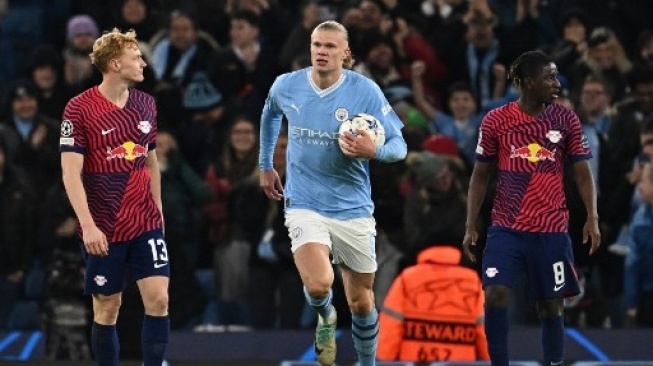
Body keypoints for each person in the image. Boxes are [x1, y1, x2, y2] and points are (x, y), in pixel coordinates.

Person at [258, 20, 407, 366]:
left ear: (346, 53)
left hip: (353, 208)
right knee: (320, 284)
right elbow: (269, 114)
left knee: (361, 302)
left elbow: (399, 146)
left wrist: (375, 152)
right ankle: (325, 316)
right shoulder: (287, 86)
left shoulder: (365, 92)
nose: (321, 52)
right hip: (304, 203)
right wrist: (266, 165)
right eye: (316, 45)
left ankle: (367, 363)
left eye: (329, 46)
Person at [462, 50, 601, 366]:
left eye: (556, 76)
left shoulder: (566, 119)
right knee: (495, 293)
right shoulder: (496, 120)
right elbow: (480, 174)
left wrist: (592, 216)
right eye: (549, 77)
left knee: (550, 306)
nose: (556, 84)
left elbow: (582, 172)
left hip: (551, 230)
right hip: (506, 228)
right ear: (526, 83)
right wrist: (471, 223)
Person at [59, 28, 169, 366]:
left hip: (144, 220)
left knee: (159, 299)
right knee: (108, 306)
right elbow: (70, 173)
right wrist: (88, 226)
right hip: (103, 224)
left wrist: (159, 212)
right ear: (115, 63)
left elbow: (150, 160)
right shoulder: (78, 109)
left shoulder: (146, 104)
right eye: (137, 58)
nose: (143, 64)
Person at [377, 245, 489, 362]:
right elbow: (488, 342)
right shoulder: (473, 282)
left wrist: (382, 358)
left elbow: (386, 344)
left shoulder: (406, 279)